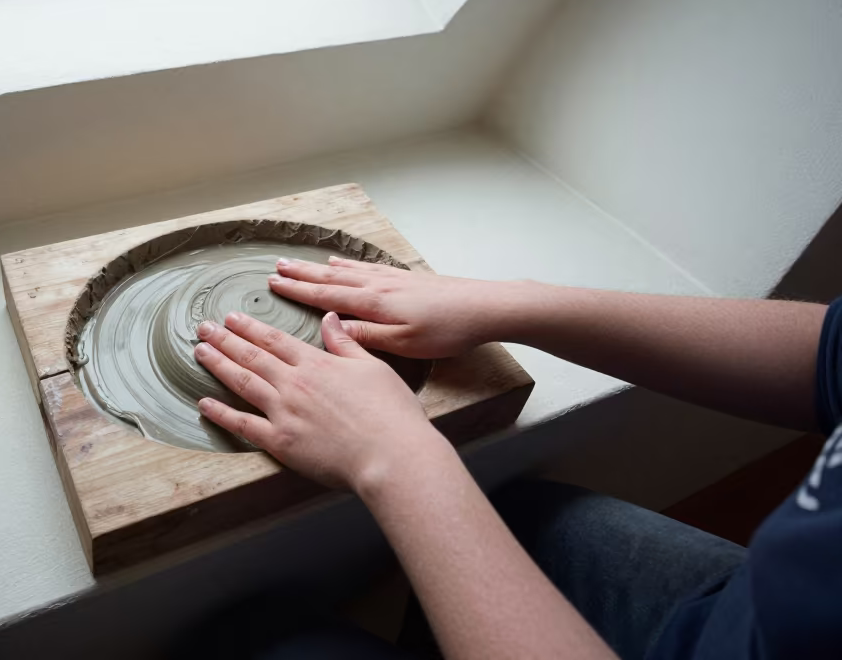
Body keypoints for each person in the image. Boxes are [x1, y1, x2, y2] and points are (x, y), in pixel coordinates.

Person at [189, 256, 840, 659]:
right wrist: (517, 303)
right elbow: (830, 356)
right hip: (754, 611)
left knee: (253, 642)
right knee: (527, 515)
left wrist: (392, 456)